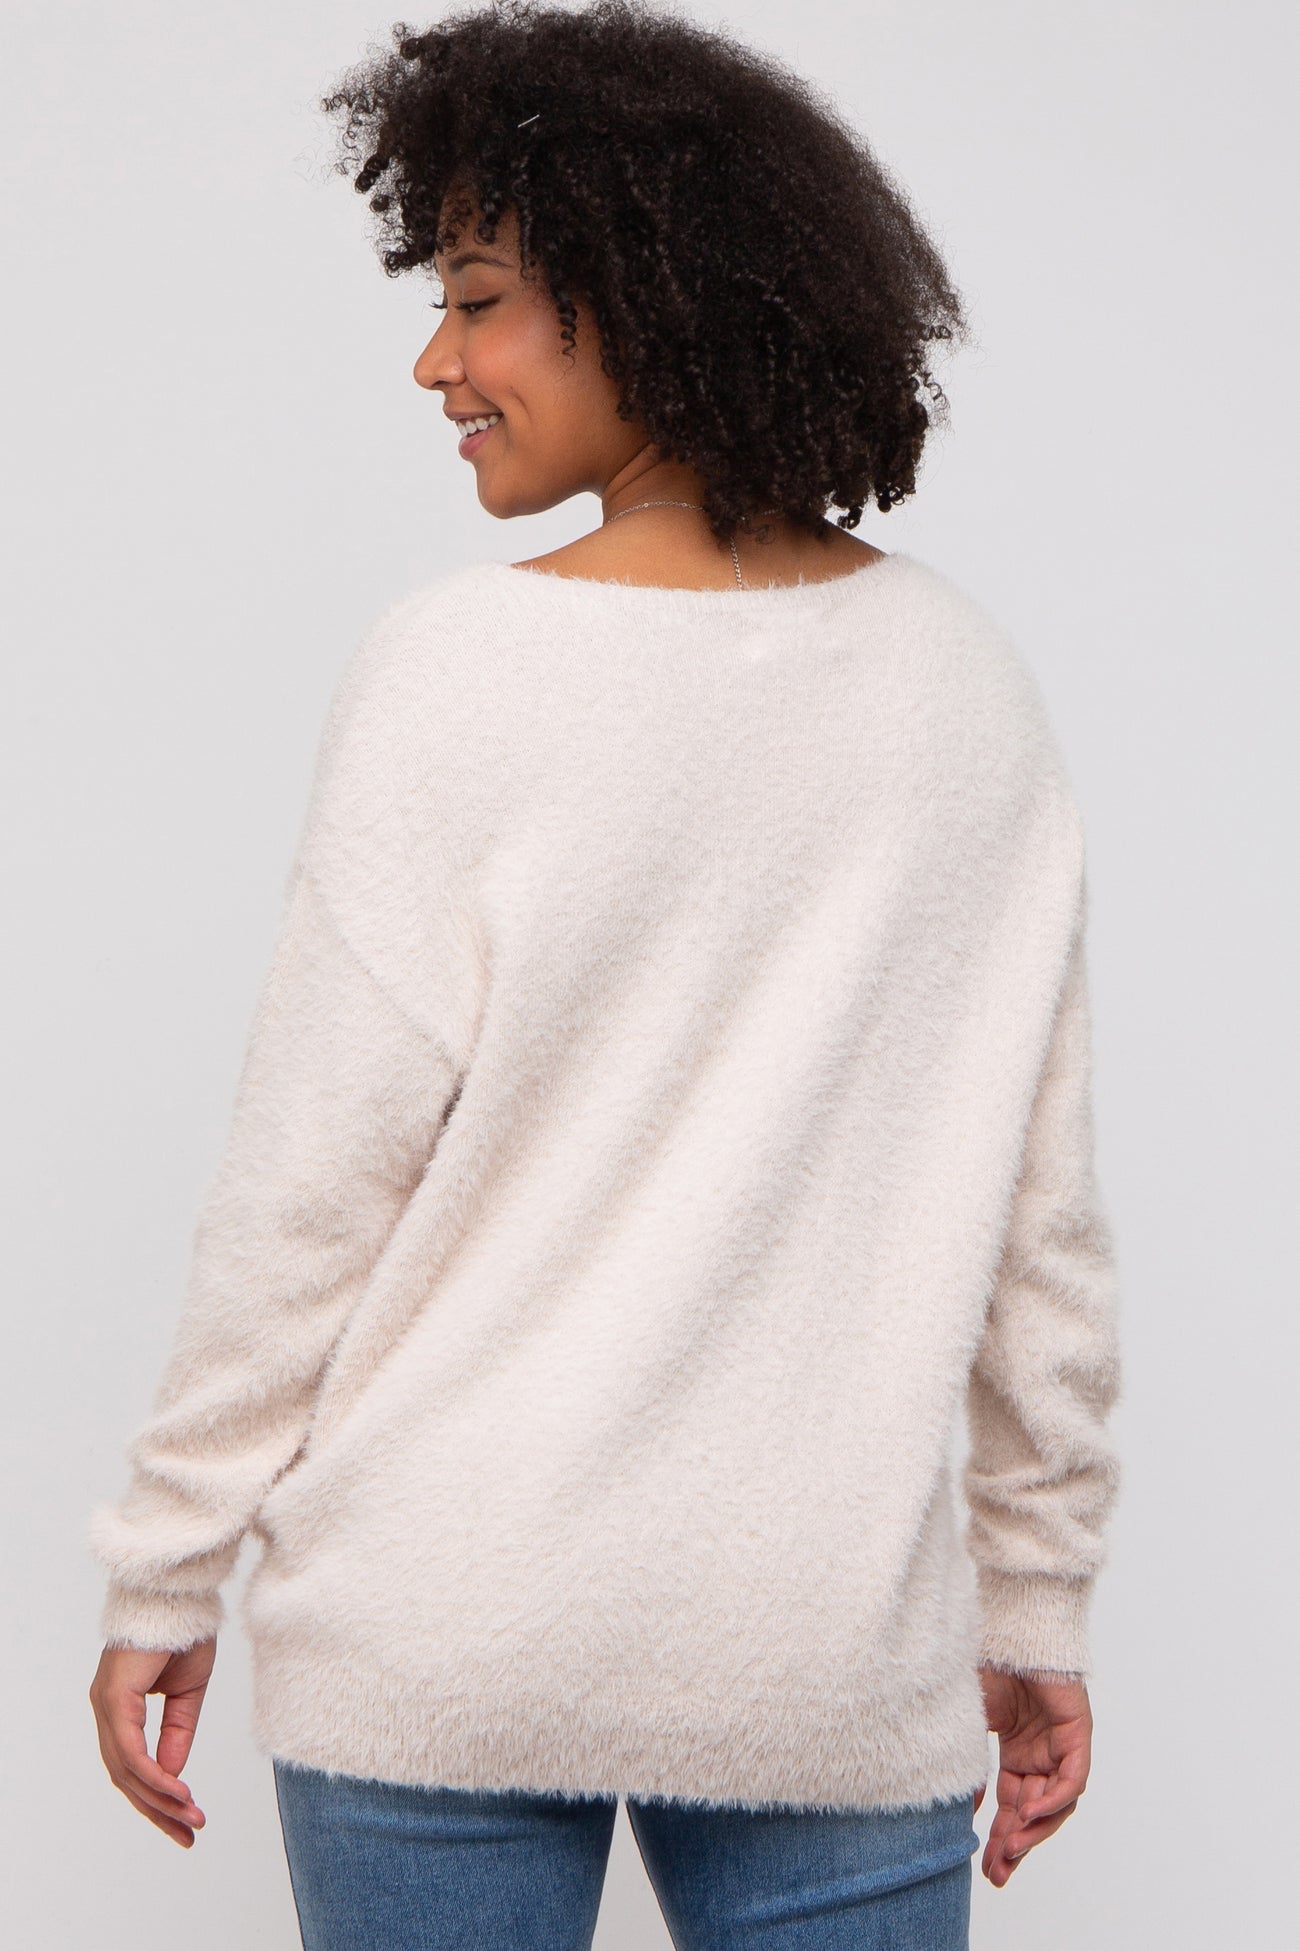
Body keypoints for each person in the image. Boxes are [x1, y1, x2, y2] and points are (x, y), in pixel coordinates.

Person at [87, 4, 1123, 1946]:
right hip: (820, 1643)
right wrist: (1035, 1591)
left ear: (641, 301)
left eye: (478, 301)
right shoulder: (961, 692)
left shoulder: (457, 672)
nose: (435, 360)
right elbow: (1035, 1220)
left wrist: (168, 1560)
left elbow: (311, 1179)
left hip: (439, 1621)